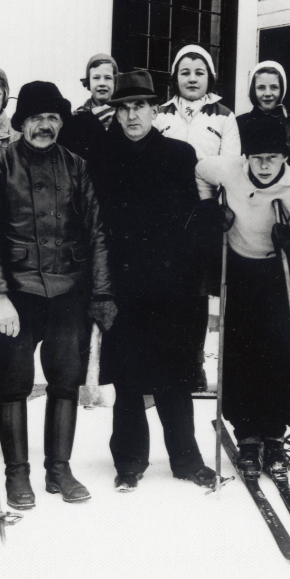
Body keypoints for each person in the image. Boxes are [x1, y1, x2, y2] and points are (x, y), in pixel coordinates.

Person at [0, 81, 114, 509]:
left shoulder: (76, 166)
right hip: (17, 292)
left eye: (53, 118)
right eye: (36, 118)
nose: (45, 126)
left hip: (68, 288)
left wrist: (102, 293)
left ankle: (59, 469)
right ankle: (18, 473)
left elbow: (97, 234)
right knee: (14, 382)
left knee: (65, 379)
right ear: (21, 123)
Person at [93, 70, 217, 491]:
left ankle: (186, 459)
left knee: (175, 374)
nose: (131, 116)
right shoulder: (101, 156)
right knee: (128, 377)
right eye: (124, 107)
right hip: (123, 282)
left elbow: (195, 219)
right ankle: (129, 460)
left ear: (153, 109)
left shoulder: (179, 155)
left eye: (140, 106)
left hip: (171, 284)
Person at [196, 114, 290, 480]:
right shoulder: (227, 168)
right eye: (257, 156)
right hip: (240, 271)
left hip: (277, 273)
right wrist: (208, 208)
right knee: (241, 351)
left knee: (278, 353)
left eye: (273, 157)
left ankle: (275, 435)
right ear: (246, 156)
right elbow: (201, 169)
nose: (264, 165)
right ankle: (247, 434)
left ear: (285, 157)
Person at [155, 44, 240, 391]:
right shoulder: (160, 114)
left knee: (195, 292)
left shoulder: (223, 116)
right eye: (185, 71)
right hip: (163, 213)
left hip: (202, 211)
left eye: (199, 71)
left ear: (210, 77)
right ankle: (162, 361)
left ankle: (193, 362)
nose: (192, 78)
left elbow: (232, 164)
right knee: (163, 288)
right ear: (175, 77)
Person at [235, 60, 290, 186]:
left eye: (274, 87)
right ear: (253, 90)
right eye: (261, 87)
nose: (267, 94)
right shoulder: (239, 124)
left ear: (282, 89)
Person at [76, 53, 118, 131]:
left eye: (108, 78)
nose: (102, 83)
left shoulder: (123, 114)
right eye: (96, 77)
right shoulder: (77, 116)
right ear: (88, 82)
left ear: (115, 82)